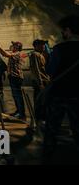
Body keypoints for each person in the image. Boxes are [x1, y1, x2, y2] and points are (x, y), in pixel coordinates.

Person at [43, 15, 79, 162]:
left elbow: (50, 70)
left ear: (68, 31)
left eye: (63, 31)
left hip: (59, 94)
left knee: (52, 127)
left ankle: (48, 154)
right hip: (77, 95)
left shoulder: (59, 49)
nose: (62, 34)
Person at [0, 41, 27, 120]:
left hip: (16, 77)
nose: (12, 46)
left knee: (18, 96)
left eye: (14, 45)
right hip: (13, 76)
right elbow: (5, 54)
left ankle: (22, 113)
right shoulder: (14, 53)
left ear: (17, 47)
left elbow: (6, 54)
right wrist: (0, 49)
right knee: (15, 95)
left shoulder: (17, 53)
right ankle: (19, 111)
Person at [30, 39, 50, 104]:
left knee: (43, 101)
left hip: (44, 81)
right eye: (41, 44)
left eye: (44, 44)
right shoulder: (35, 55)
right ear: (36, 46)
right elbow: (36, 69)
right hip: (41, 82)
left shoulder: (40, 54)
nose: (43, 46)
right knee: (39, 101)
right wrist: (40, 83)